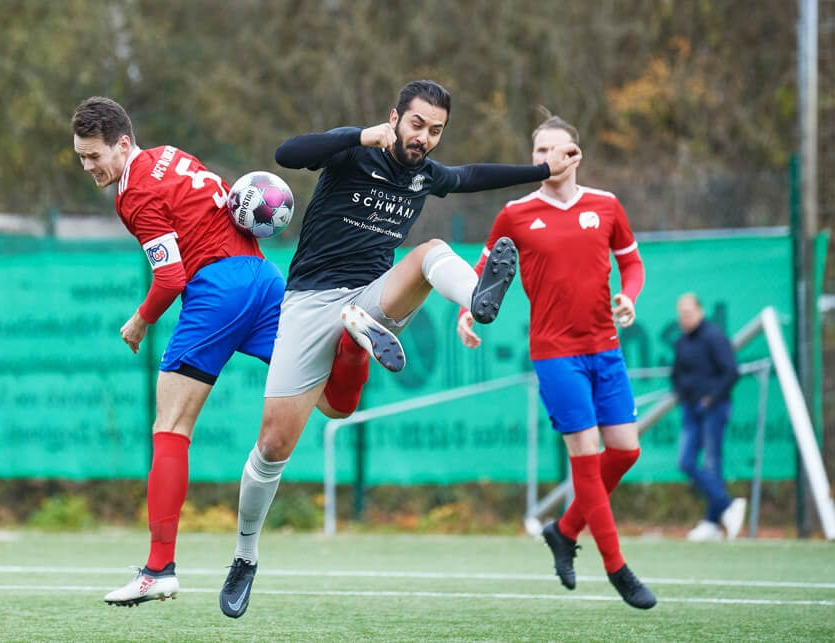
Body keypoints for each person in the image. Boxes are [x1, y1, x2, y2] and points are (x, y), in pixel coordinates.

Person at [218, 80, 582, 618]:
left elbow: (474, 176)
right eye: (417, 125)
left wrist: (542, 173)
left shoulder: (424, 175)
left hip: (373, 295)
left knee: (432, 251)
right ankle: (245, 558)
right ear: (395, 118)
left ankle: (475, 295)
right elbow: (287, 153)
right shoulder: (353, 152)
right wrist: (361, 134)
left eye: (436, 131)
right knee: (276, 444)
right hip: (311, 303)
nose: (425, 139)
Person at [70, 96, 291, 607]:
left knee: (170, 427)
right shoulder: (170, 155)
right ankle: (353, 336)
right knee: (325, 396)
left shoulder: (135, 195)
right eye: (81, 157)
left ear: (122, 145)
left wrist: (139, 320)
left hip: (217, 288)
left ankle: (158, 569)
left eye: (93, 156)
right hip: (261, 277)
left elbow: (171, 278)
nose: (87, 167)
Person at [457, 112, 656, 609]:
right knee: (586, 460)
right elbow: (484, 272)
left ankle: (564, 531)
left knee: (625, 451)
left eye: (554, 150)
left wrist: (630, 295)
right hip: (555, 352)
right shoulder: (515, 213)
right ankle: (618, 570)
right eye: (537, 151)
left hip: (605, 346)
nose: (545, 159)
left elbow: (631, 262)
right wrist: (466, 311)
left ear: (575, 154)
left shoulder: (606, 206)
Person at [671, 292, 745, 541]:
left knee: (713, 463)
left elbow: (731, 372)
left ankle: (713, 522)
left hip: (714, 409)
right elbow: (676, 375)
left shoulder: (714, 337)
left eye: (689, 313)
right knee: (686, 461)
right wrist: (685, 394)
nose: (684, 318)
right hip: (691, 410)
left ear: (700, 311)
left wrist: (710, 398)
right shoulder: (682, 342)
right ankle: (726, 506)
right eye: (681, 314)